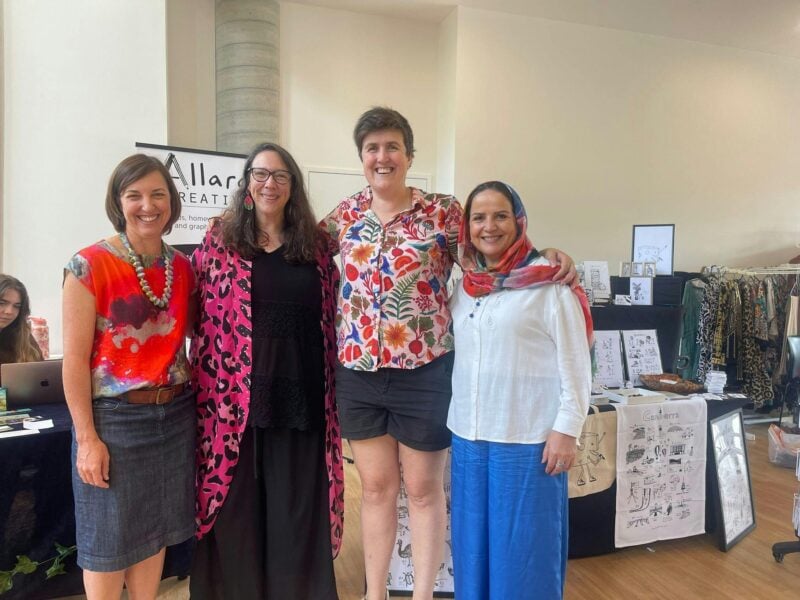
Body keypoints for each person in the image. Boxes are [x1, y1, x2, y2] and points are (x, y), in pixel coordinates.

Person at [320, 107, 576, 600]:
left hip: (425, 373)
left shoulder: (441, 212)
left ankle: (421, 595)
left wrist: (547, 259)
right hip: (359, 373)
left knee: (422, 492)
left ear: (409, 155)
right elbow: (295, 251)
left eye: (392, 146)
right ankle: (374, 594)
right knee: (376, 490)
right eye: (372, 148)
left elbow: (492, 250)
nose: (382, 157)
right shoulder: (345, 215)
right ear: (361, 157)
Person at [190, 142, 343, 600]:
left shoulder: (318, 247)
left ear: (293, 185)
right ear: (247, 183)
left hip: (302, 399)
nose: (269, 183)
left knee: (295, 511)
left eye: (280, 175)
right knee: (237, 512)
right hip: (233, 402)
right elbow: (194, 310)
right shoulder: (220, 241)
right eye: (260, 174)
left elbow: (335, 316)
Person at [447, 181, 593, 600]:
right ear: (468, 226)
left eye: (500, 216)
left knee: (524, 552)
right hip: (469, 436)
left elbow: (577, 364)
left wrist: (567, 430)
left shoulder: (551, 285)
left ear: (519, 221)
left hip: (528, 441)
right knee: (472, 549)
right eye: (479, 218)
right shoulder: (465, 286)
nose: (489, 226)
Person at [62, 154, 196, 599]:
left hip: (175, 416)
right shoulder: (88, 265)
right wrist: (87, 439)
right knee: (106, 544)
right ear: (118, 203)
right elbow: (73, 361)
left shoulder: (183, 267)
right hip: (114, 422)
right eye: (134, 195)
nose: (147, 205)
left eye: (158, 194)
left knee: (153, 534)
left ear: (171, 202)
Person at [0, 274, 43, 369]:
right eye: (2, 303)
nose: (9, 311)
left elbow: (41, 373)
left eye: (16, 306)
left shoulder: (23, 336)